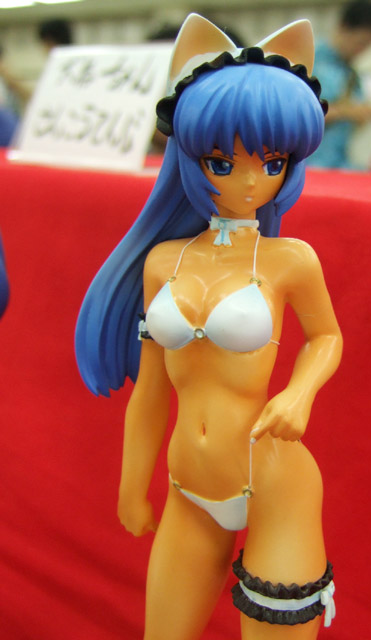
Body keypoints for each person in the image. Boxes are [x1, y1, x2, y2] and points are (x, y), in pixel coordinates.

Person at [76, 14, 342, 640]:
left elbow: (327, 337)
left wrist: (299, 393)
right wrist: (131, 483)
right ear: (190, 159)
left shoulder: (290, 260)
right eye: (222, 162)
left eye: (272, 161)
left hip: (272, 480)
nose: (250, 180)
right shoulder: (162, 262)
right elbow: (150, 391)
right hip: (187, 485)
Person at [308, 0, 371, 168]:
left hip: (343, 165)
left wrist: (370, 116)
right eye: (361, 42)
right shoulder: (310, 61)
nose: (363, 50)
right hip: (312, 165)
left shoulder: (352, 74)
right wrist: (347, 112)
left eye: (369, 46)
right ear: (343, 27)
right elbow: (298, 116)